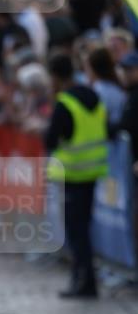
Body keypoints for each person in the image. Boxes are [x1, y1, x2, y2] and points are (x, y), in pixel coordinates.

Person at [44, 53, 108, 298]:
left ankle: (84, 281)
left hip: (72, 173)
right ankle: (86, 279)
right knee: (84, 228)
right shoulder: (93, 95)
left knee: (76, 231)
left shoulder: (65, 102)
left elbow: (51, 139)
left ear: (55, 76)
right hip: (93, 171)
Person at [85, 47, 127, 128]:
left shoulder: (98, 90)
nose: (86, 73)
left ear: (93, 69)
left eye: (87, 68)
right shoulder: (117, 86)